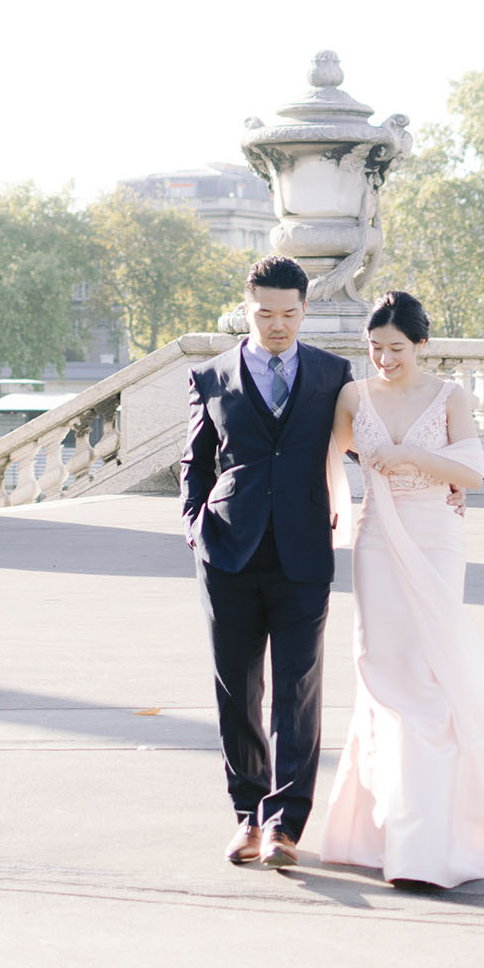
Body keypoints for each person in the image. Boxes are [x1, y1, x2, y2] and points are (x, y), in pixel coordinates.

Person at [320, 290, 484, 887]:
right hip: (375, 539)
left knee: (427, 670)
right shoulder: (352, 395)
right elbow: (327, 455)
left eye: (395, 348)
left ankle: (428, 840)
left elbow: (471, 471)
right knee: (380, 665)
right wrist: (328, 514)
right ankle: (377, 830)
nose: (384, 359)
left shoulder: (450, 397)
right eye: (374, 348)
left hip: (436, 535)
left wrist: (411, 453)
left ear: (420, 345)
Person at [180, 254, 354, 868]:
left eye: (289, 313)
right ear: (246, 309)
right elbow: (195, 461)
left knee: (298, 692)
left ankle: (284, 825)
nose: (277, 325)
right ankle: (246, 817)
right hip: (228, 550)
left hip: (305, 550)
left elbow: (372, 443)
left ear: (304, 309)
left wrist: (439, 477)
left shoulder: (335, 374)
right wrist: (194, 526)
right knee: (237, 691)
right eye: (265, 313)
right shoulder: (211, 376)